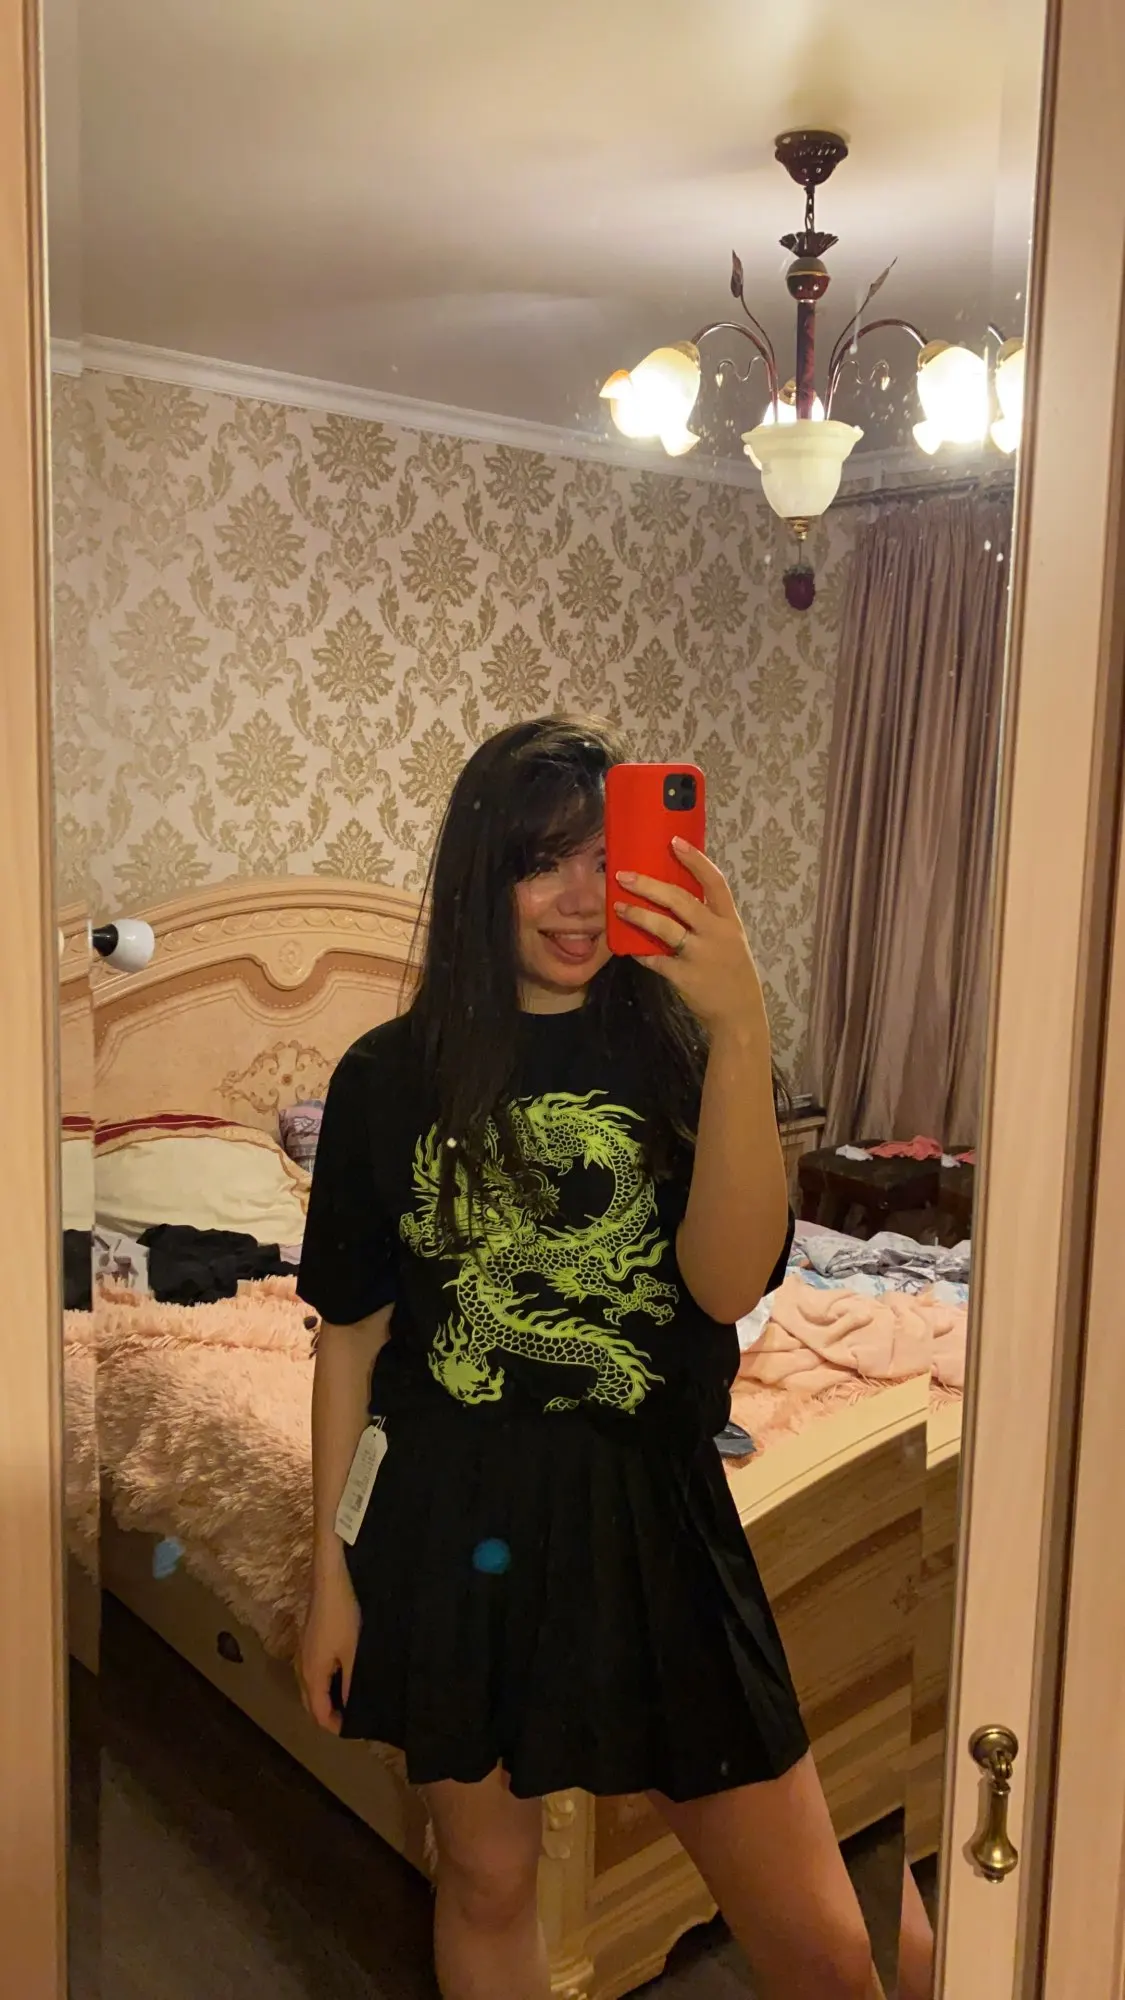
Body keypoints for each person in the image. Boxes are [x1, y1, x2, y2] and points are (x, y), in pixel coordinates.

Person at [297, 717, 877, 2000]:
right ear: (481, 878)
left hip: (653, 1512)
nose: (578, 896)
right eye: (538, 861)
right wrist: (331, 1576)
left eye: (604, 857)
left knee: (828, 1950)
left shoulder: (679, 1051)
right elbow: (353, 1339)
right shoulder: (388, 1078)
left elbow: (725, 1284)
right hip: (450, 1516)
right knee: (488, 1881)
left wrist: (742, 1026)